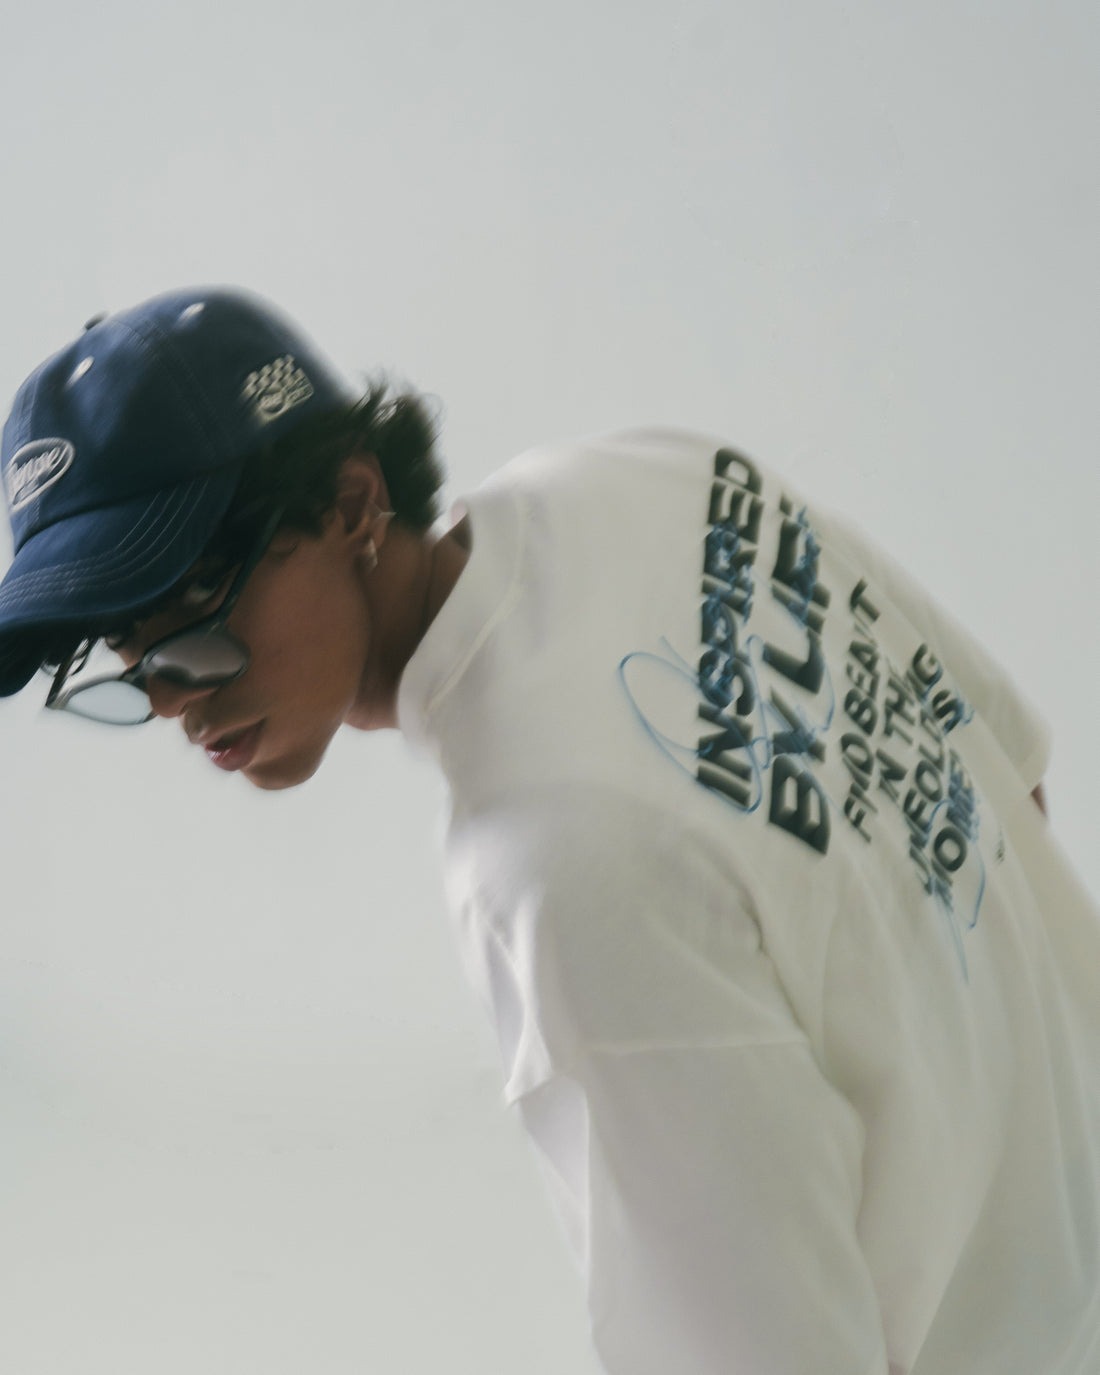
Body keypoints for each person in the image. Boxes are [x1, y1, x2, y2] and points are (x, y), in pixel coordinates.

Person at [2, 287, 1098, 1375]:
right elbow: (1007, 776)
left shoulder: (556, 864)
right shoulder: (649, 478)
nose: (172, 699)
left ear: (350, 503)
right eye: (124, 653)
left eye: (196, 606)